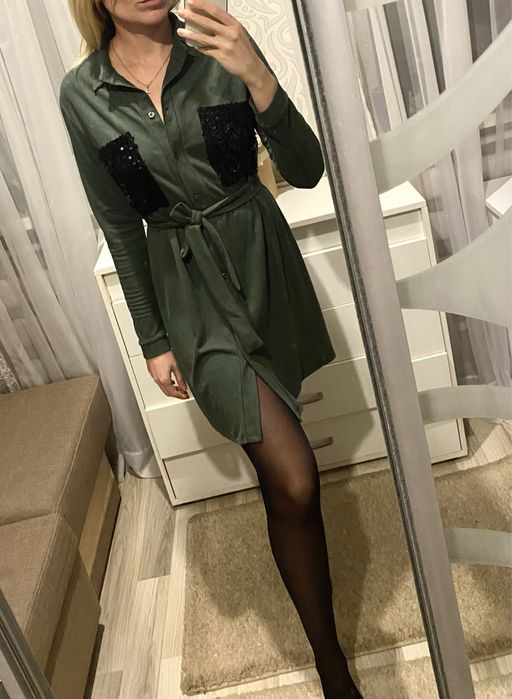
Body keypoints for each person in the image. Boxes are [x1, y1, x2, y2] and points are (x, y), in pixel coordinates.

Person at [59, 1, 363, 696]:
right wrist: (152, 338)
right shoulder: (83, 94)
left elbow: (307, 169)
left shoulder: (220, 46)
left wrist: (258, 76)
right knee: (296, 477)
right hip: (189, 294)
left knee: (279, 461)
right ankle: (332, 666)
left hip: (264, 267)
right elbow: (120, 225)